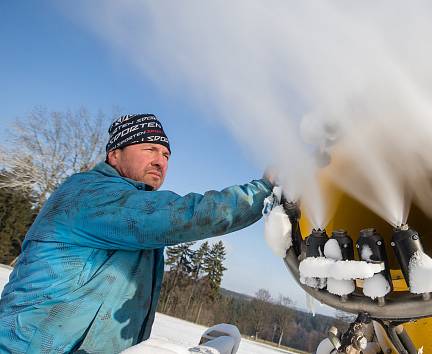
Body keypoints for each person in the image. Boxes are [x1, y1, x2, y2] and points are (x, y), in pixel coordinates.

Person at [0, 114, 274, 353]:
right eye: (150, 149)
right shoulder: (90, 195)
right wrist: (264, 189)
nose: (160, 161)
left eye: (166, 155)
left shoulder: (126, 207)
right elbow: (184, 214)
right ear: (114, 154)